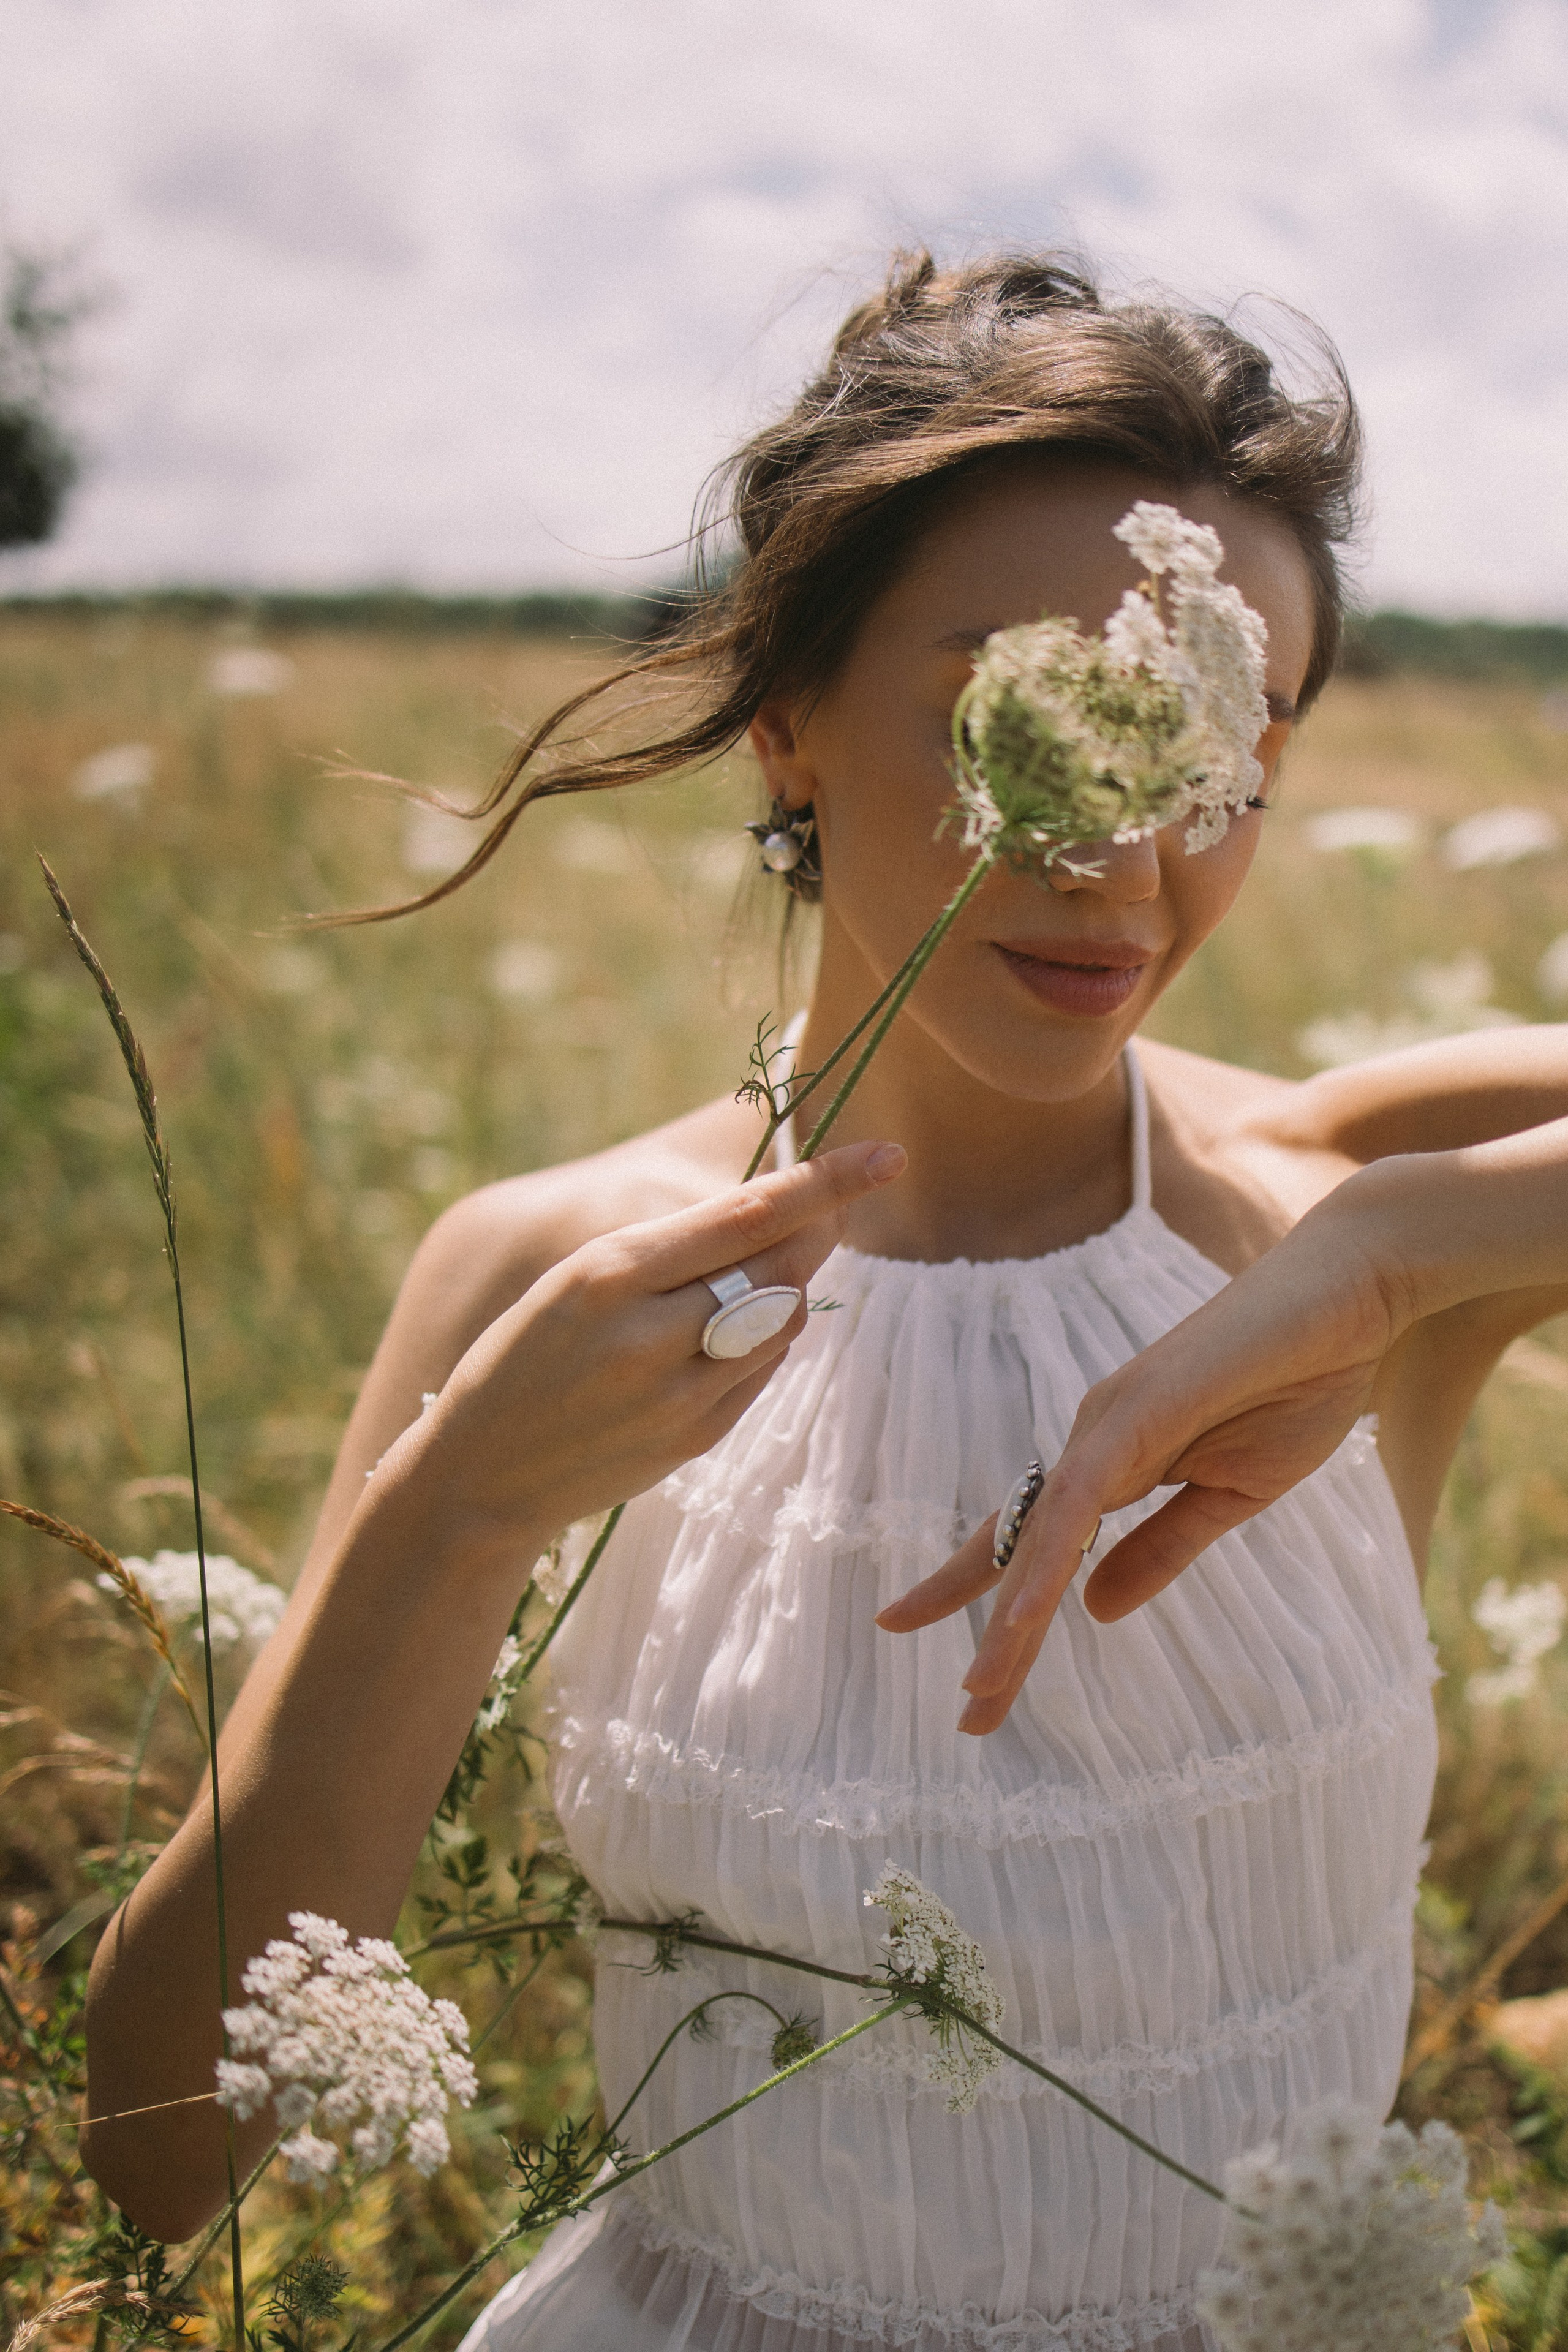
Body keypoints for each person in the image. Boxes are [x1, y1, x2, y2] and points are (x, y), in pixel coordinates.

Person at [83, 253, 1568, 2351]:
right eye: (1027, 712)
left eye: (1221, 751)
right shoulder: (548, 1287)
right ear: (789, 717)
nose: (1124, 856)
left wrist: (1406, 1258)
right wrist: (458, 1515)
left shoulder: (1351, 1202)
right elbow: (160, 2151)